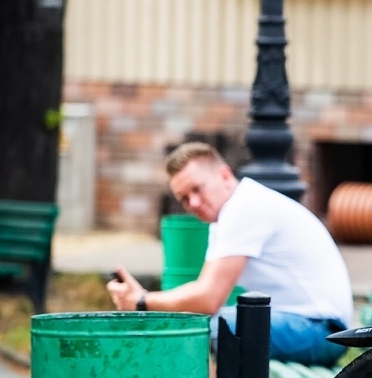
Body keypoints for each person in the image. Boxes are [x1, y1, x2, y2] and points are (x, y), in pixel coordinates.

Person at [107, 143, 351, 365]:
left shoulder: (244, 209)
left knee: (215, 330)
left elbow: (208, 300)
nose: (193, 203)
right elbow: (204, 293)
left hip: (322, 331)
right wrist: (144, 299)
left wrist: (142, 301)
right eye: (184, 199)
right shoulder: (229, 214)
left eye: (197, 189)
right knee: (211, 325)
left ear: (224, 175)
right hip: (305, 325)